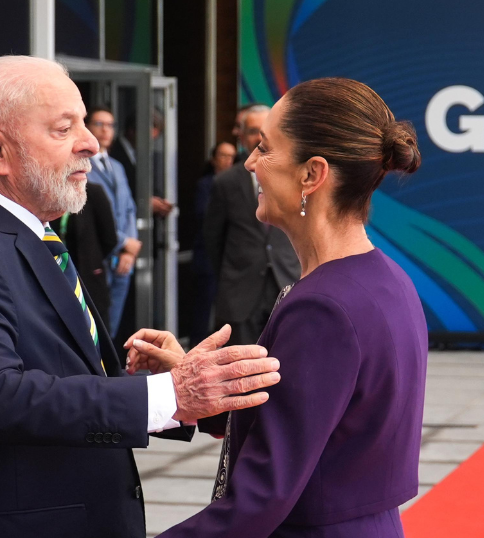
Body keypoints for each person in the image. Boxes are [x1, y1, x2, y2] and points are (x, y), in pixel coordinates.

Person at [0, 55, 281, 538]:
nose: (92, 144)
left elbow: (67, 382)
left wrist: (181, 395)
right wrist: (169, 395)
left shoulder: (26, 236)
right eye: (63, 128)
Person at [127, 77, 428, 537]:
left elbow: (260, 499)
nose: (249, 162)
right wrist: (197, 381)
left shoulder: (323, 308)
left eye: (265, 148)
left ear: (312, 174)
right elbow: (319, 425)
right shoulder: (386, 280)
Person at [204, 105, 300, 346]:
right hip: (240, 293)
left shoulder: (296, 177)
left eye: (266, 131)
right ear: (241, 136)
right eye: (253, 131)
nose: (259, 138)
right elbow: (213, 240)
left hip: (286, 283)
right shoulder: (225, 182)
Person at [85, 106, 142, 337]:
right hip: (97, 256)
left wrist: (130, 249)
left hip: (122, 260)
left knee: (112, 329)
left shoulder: (117, 166)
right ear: (88, 127)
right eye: (99, 124)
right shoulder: (82, 165)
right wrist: (124, 243)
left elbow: (128, 208)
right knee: (94, 327)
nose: (105, 130)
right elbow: (86, 216)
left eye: (110, 125)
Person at [49, 182, 118, 333]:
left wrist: (92, 260)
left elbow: (109, 239)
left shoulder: (93, 192)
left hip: (89, 275)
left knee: (97, 332)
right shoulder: (50, 192)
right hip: (57, 276)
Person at [190, 142, 236, 345]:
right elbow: (203, 216)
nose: (227, 160)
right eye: (223, 155)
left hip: (230, 258)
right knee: (203, 308)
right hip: (207, 256)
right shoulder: (206, 184)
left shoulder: (236, 185)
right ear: (213, 158)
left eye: (231, 156)